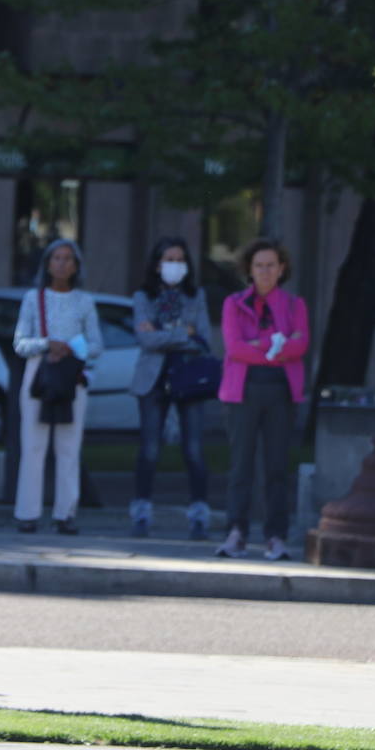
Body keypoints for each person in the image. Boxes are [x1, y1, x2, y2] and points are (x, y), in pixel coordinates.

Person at [215, 238, 309, 561]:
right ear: (249, 270)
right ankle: (236, 532)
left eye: (271, 265)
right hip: (242, 391)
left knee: (277, 467)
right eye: (259, 265)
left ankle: (276, 536)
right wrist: (276, 345)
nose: (265, 271)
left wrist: (261, 345)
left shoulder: (295, 305)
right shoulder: (233, 303)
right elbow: (235, 348)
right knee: (241, 465)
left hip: (280, 392)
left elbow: (301, 345)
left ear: (282, 269)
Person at [12, 239, 103, 534]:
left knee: (68, 445)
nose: (62, 264)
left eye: (68, 259)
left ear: (76, 265)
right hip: (40, 373)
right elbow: (20, 343)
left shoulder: (84, 301)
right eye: (56, 258)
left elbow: (97, 344)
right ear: (47, 264)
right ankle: (27, 512)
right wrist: (46, 344)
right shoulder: (32, 298)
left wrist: (72, 349)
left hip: (71, 375)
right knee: (33, 444)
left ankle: (66, 512)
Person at [129, 236, 214, 539]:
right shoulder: (143, 296)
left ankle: (200, 515)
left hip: (188, 377)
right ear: (157, 264)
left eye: (180, 260)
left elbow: (204, 339)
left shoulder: (196, 296)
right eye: (169, 259)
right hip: (153, 379)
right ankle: (140, 513)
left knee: (193, 449)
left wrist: (164, 332)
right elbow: (145, 339)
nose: (175, 265)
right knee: (150, 449)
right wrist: (181, 333)